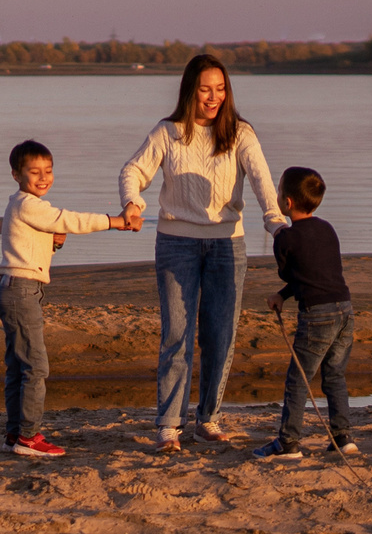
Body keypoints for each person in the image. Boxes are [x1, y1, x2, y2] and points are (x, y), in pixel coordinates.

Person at [118, 56, 289, 450]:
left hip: (228, 244)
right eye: (205, 89)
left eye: (220, 88)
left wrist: (276, 223)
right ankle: (169, 425)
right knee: (177, 333)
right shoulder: (169, 132)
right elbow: (133, 171)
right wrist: (132, 203)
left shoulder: (241, 133)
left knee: (220, 335)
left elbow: (263, 179)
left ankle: (208, 418)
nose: (213, 97)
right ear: (190, 90)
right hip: (176, 242)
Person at [0, 138, 140, 458]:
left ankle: (15, 433)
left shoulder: (22, 205)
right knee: (35, 367)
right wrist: (116, 222)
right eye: (34, 172)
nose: (43, 177)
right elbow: (68, 219)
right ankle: (28, 437)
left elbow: (35, 248)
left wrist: (55, 245)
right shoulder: (28, 204)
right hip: (20, 291)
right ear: (16, 175)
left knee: (19, 367)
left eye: (48, 170)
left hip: (15, 288)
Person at [257, 167, 357, 459]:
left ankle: (288, 443)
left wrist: (278, 235)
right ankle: (343, 438)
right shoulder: (327, 228)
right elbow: (313, 274)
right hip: (345, 309)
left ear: (286, 203)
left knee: (298, 379)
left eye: (277, 192)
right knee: (335, 375)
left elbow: (288, 270)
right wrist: (282, 295)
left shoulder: (286, 238)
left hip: (317, 315)